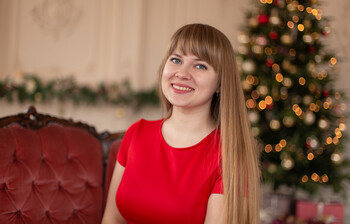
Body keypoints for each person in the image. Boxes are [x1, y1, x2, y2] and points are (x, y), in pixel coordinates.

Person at [102, 23, 260, 224]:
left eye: (200, 65)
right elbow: (112, 219)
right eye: (176, 60)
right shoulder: (137, 133)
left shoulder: (229, 154)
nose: (182, 73)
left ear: (220, 83)